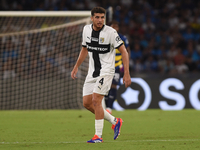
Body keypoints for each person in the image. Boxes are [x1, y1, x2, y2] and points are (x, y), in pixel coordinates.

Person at [71, 7, 131, 143]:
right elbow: (84, 49)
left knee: (96, 100)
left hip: (106, 71)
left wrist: (126, 73)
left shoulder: (110, 32)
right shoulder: (86, 30)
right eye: (97, 17)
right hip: (92, 72)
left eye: (102, 17)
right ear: (91, 18)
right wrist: (76, 66)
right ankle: (115, 121)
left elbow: (124, 52)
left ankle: (98, 136)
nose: (100, 20)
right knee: (86, 103)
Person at [105, 20, 130, 114]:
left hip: (117, 66)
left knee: (113, 85)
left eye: (116, 27)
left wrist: (126, 64)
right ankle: (106, 106)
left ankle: (109, 108)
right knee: (105, 87)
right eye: (113, 26)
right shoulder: (105, 37)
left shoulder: (122, 38)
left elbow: (127, 51)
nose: (115, 28)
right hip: (106, 66)